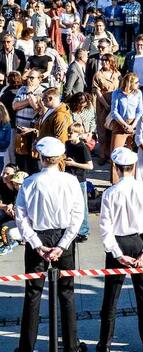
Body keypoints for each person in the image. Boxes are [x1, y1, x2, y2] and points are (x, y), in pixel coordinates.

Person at [15, 136, 85, 352]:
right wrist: (63, 245)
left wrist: (36, 244)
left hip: (38, 236)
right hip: (62, 236)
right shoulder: (70, 181)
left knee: (33, 293)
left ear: (41, 157)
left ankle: (26, 347)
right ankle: (71, 346)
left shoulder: (30, 182)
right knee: (67, 292)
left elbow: (21, 217)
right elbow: (77, 216)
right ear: (60, 157)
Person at [96, 147, 143, 352]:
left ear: (116, 167)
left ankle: (105, 343)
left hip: (118, 242)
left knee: (111, 296)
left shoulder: (110, 193)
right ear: (134, 167)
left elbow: (105, 228)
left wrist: (117, 254)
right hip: (139, 241)